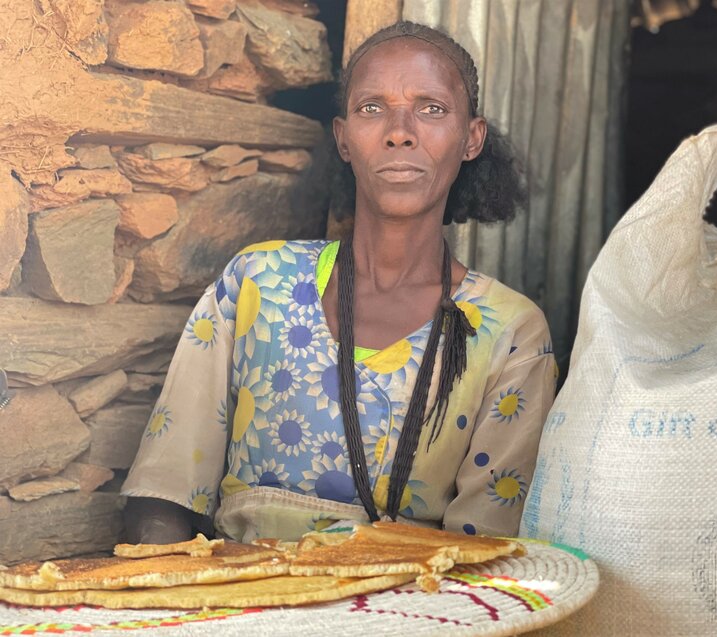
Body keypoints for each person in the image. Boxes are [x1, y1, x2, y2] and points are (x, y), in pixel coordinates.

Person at [122, 21, 556, 544]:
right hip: (237, 604)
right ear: (344, 139)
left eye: (432, 108)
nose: (400, 130)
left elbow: (485, 547)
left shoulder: (510, 331)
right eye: (372, 108)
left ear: (471, 138)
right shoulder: (258, 283)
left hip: (408, 611)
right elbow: (163, 493)